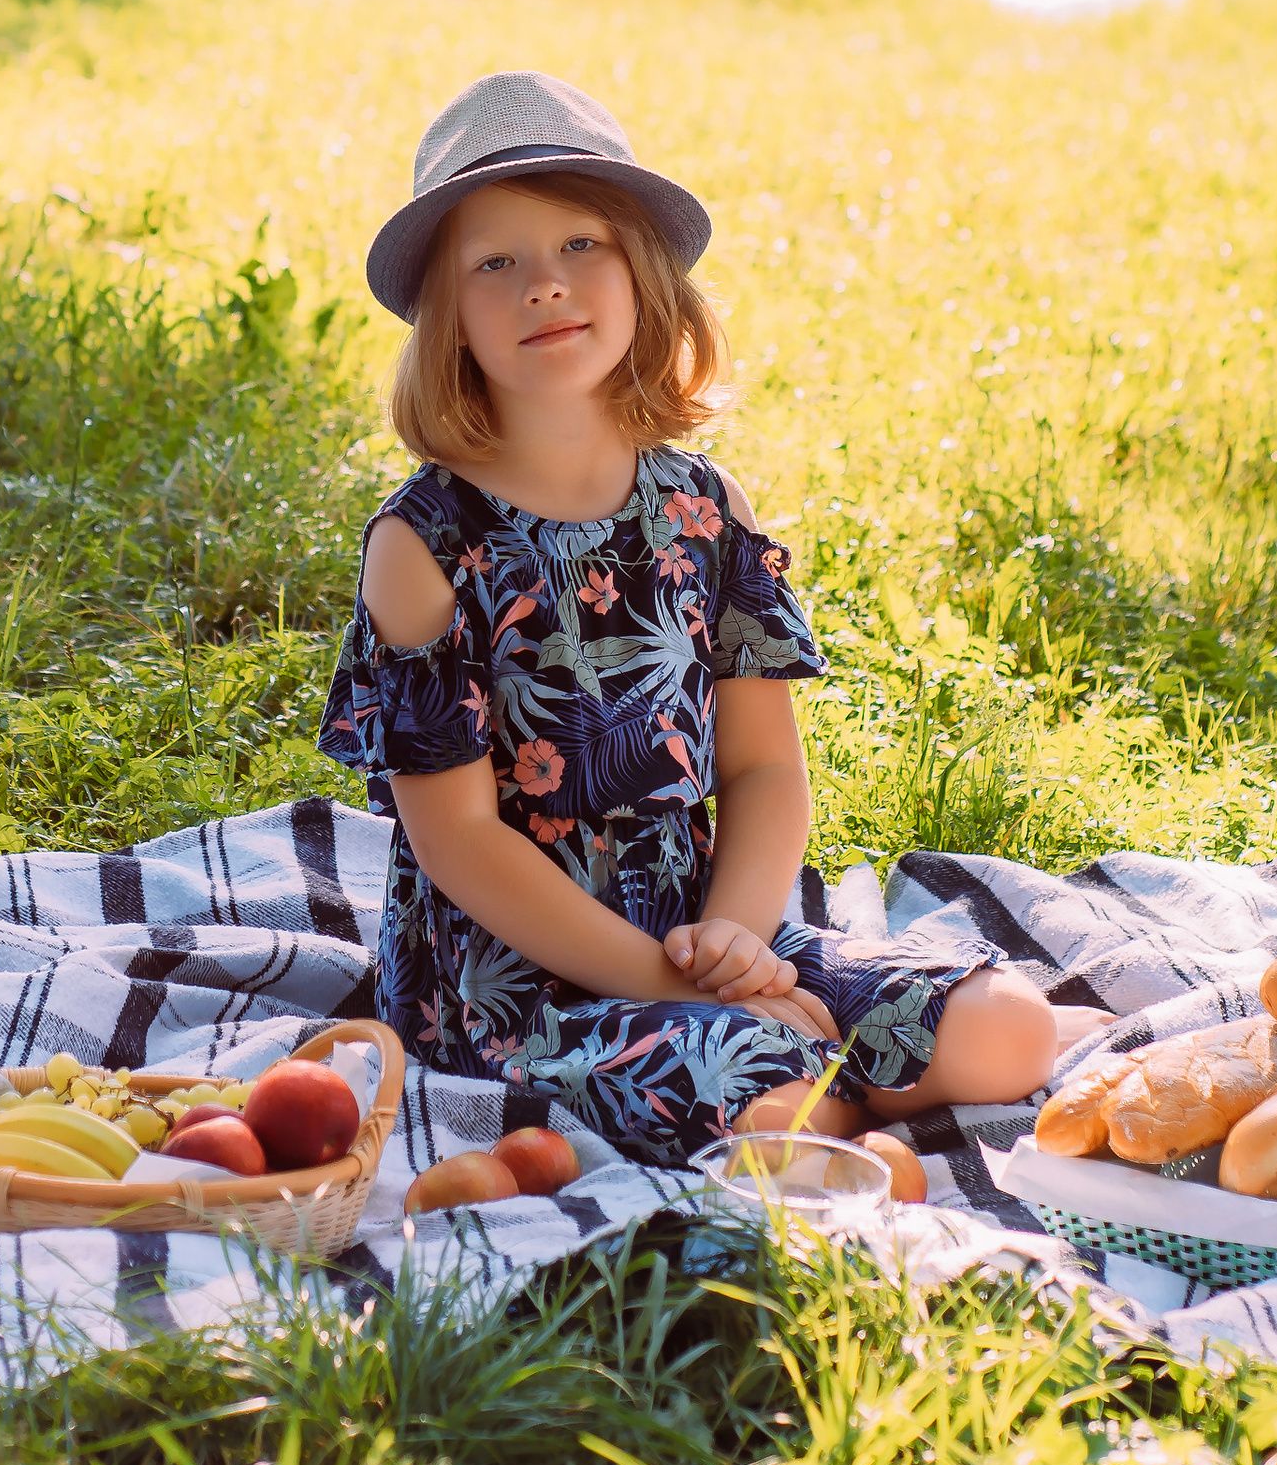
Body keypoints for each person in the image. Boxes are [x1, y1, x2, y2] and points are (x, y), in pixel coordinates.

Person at [320, 69, 1073, 1171]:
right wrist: (675, 985)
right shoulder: (424, 545)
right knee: (777, 1098)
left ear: (644, 277)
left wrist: (733, 937)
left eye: (582, 245)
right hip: (513, 978)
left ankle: (824, 1088)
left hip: (705, 927)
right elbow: (460, 842)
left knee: (1011, 1031)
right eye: (495, 263)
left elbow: (764, 770)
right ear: (447, 321)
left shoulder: (702, 510)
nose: (544, 285)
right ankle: (822, 1111)